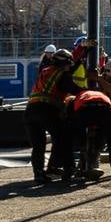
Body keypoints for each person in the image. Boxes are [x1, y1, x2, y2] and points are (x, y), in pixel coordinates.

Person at [26, 48, 81, 184]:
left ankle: (39, 174)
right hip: (47, 110)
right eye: (69, 63)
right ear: (64, 64)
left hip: (30, 111)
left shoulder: (46, 71)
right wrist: (95, 91)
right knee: (64, 137)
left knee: (38, 145)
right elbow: (74, 89)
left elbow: (69, 71)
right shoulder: (63, 75)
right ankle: (68, 169)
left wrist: (83, 52)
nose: (70, 66)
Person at [69, 87, 111, 180]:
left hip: (84, 110)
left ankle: (80, 169)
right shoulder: (102, 95)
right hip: (104, 110)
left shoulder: (77, 98)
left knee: (79, 135)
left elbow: (72, 116)